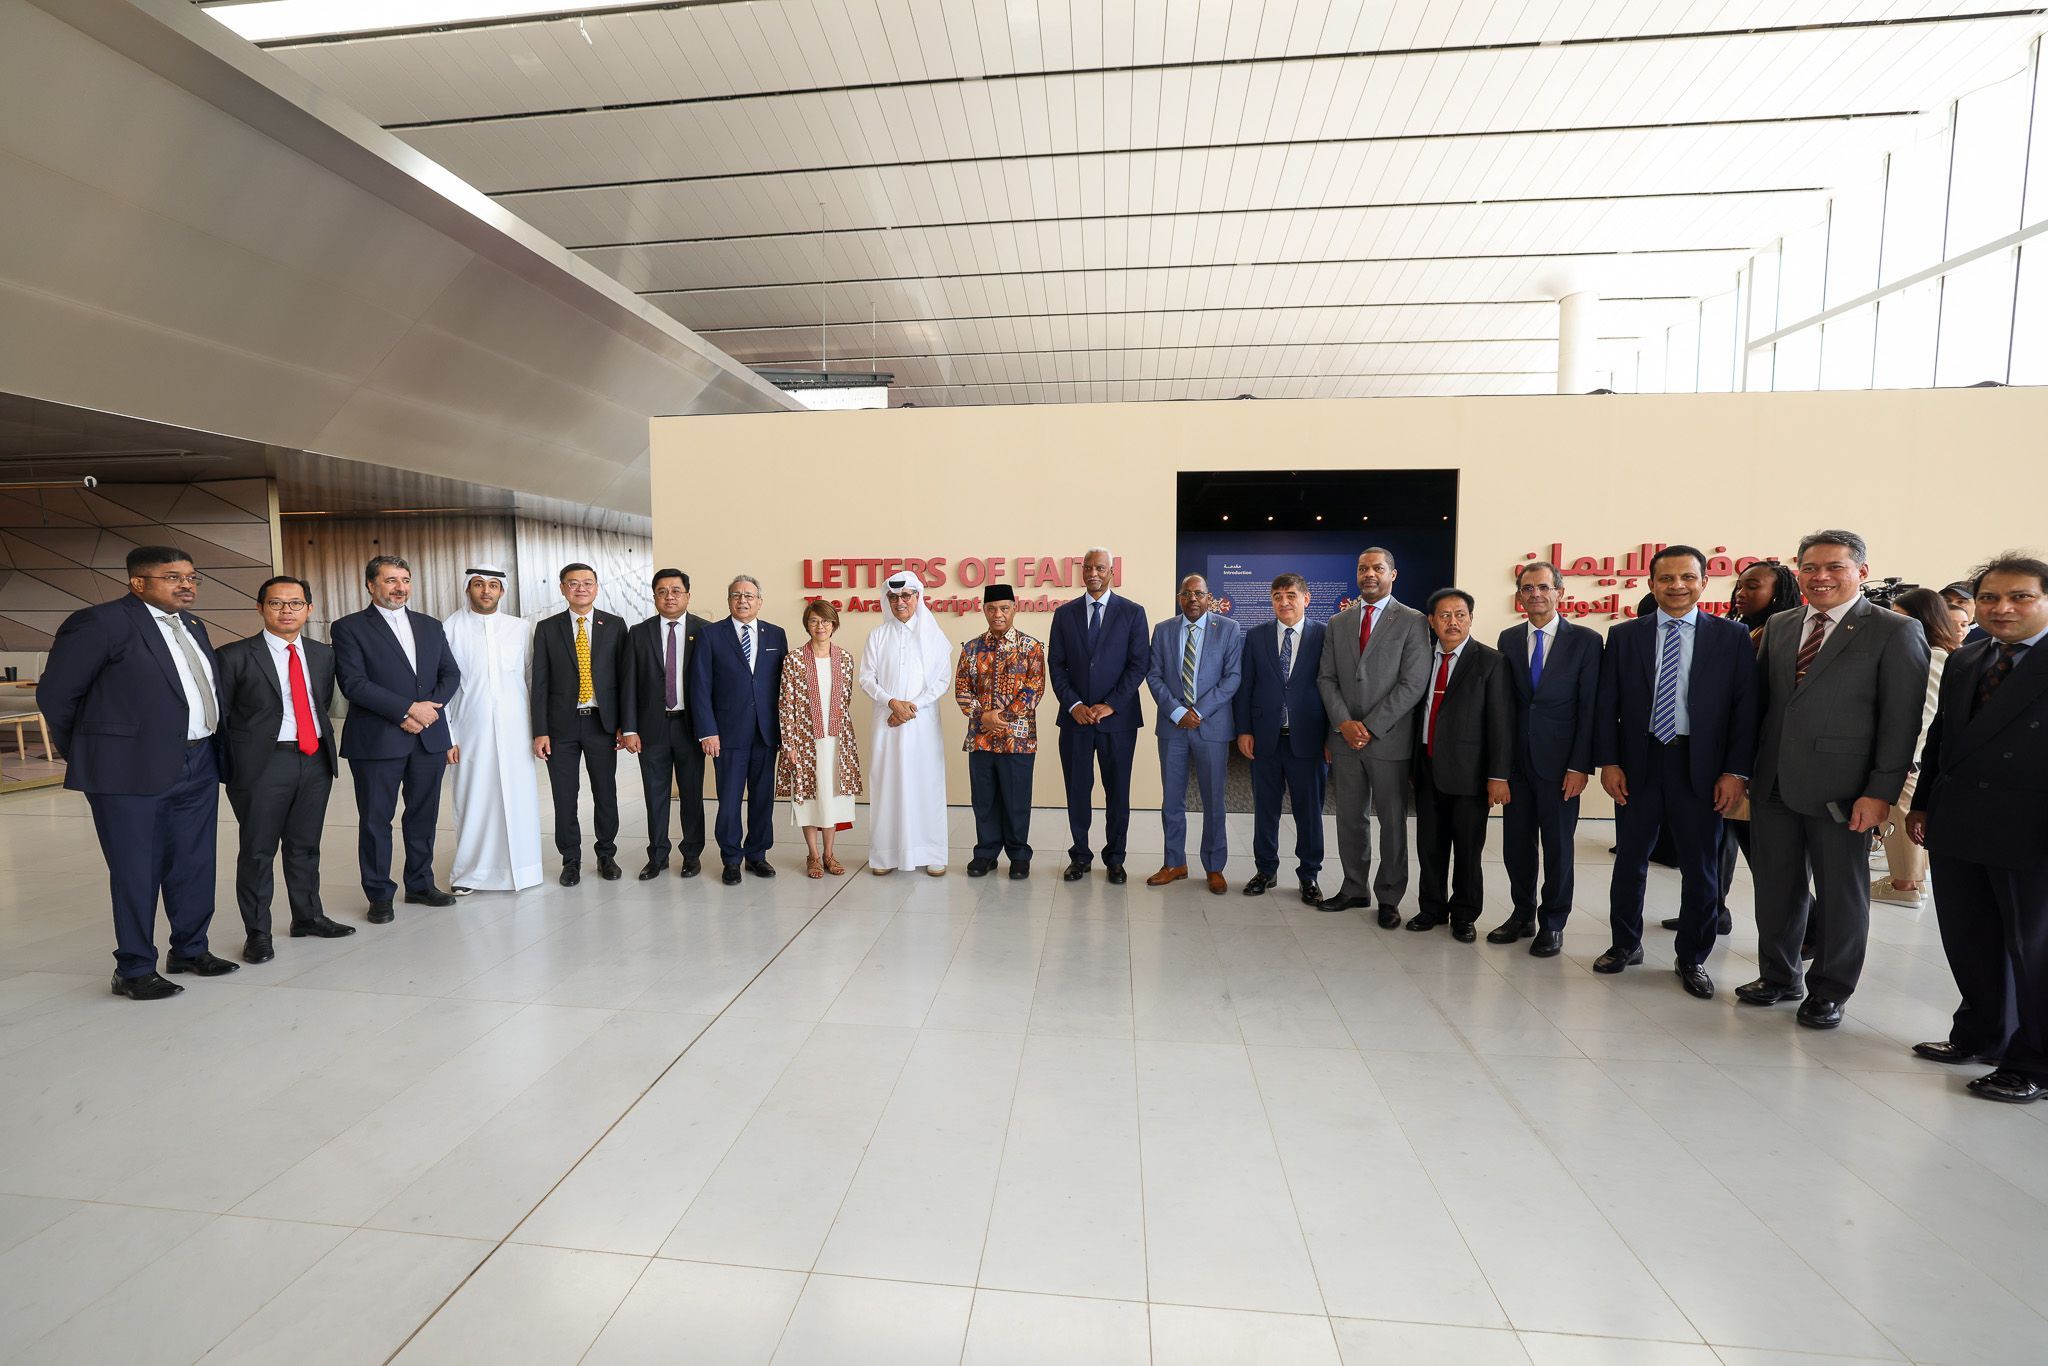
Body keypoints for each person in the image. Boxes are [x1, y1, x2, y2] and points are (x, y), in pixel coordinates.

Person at [1739, 530, 1929, 1029]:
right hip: (1773, 781)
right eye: (1810, 567)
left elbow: (1901, 721)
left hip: (1844, 790)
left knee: (1841, 894)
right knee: (1776, 888)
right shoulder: (1781, 625)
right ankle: (1779, 976)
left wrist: (1880, 791)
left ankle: (1830, 990)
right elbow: (1766, 706)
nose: (1820, 577)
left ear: (1861, 572)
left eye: (1834, 567)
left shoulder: (1894, 630)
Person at [41, 546, 236, 998]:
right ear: (138, 583)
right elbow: (56, 695)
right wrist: (93, 752)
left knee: (194, 861)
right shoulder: (100, 622)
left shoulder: (193, 625)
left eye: (191, 577)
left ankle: (190, 949)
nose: (186, 585)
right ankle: (133, 968)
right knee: (136, 869)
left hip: (199, 760)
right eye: (173, 577)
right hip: (127, 769)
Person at [1907, 552, 2048, 1103]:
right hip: (1959, 818)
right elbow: (1942, 738)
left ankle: (2034, 1063)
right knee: (1970, 938)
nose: (2002, 607)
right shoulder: (1969, 657)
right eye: (1989, 597)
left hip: (2030, 829)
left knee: (2033, 950)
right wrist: (1922, 804)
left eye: (2020, 597)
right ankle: (1983, 1033)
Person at [1593, 544, 1757, 1000]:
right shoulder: (1625, 636)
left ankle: (1693, 956)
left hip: (1701, 765)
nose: (1677, 586)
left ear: (1704, 582)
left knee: (1701, 866)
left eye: (1687, 577)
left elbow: (1745, 710)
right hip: (1639, 761)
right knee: (1630, 859)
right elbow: (1607, 705)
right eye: (1666, 578)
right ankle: (1625, 943)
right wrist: (1609, 762)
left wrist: (1735, 772)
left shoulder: (1732, 637)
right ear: (1651, 584)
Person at [215, 575, 353, 962]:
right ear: (260, 608)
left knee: (305, 845)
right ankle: (258, 933)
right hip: (261, 765)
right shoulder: (234, 656)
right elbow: (221, 717)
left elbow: (320, 703)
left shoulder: (323, 655)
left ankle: (308, 917)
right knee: (258, 850)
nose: (286, 611)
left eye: (295, 603)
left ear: (309, 609)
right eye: (276, 603)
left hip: (314, 758)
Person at [1675, 560, 1806, 936]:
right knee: (1721, 841)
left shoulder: (1777, 634)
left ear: (1778, 592)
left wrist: (1739, 766)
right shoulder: (1743, 630)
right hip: (1724, 755)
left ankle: (1808, 926)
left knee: (1761, 852)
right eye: (1739, 586)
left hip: (1755, 759)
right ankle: (1712, 909)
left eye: (1753, 586)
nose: (1741, 593)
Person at [333, 555, 461, 924]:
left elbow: (450, 674)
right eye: (391, 580)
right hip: (377, 740)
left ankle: (420, 884)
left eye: (405, 580)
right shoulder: (349, 627)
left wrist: (427, 712)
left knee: (423, 815)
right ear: (371, 585)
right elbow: (354, 683)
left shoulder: (430, 625)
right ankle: (379, 894)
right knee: (376, 820)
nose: (400, 587)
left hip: (428, 738)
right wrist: (407, 711)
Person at [1315, 547, 1432, 923]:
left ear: (1392, 574)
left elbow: (1414, 683)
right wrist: (1344, 723)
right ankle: (1354, 888)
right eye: (1363, 568)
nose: (1369, 574)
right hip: (1345, 739)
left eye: (1377, 568)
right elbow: (1326, 678)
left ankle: (1389, 896)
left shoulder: (1412, 621)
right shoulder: (1339, 622)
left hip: (1389, 739)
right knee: (1350, 817)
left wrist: (1371, 726)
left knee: (1392, 821)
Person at [1493, 561, 1601, 956]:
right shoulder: (1508, 638)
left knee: (1557, 848)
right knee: (1516, 846)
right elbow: (1505, 706)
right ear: (1519, 596)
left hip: (1561, 766)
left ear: (1559, 593)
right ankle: (1522, 914)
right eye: (1527, 588)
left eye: (1543, 587)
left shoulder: (1585, 641)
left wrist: (1579, 766)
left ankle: (1553, 922)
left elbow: (1590, 708)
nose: (1535, 594)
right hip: (1518, 765)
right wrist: (1499, 768)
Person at [1407, 589, 1512, 942]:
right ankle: (1431, 908)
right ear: (1431, 621)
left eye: (1460, 615)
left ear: (1470, 618)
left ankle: (1465, 915)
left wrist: (1497, 775)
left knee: (1467, 850)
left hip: (1470, 773)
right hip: (1426, 765)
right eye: (1445, 615)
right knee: (1429, 846)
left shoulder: (1491, 661)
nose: (1453, 622)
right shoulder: (1421, 658)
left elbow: (1500, 724)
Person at [1048, 547, 1149, 884]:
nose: (1093, 573)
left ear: (1111, 572)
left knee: (1117, 793)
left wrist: (1111, 704)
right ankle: (1080, 856)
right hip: (1075, 720)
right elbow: (1056, 665)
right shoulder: (1065, 614)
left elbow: (1139, 665)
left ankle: (1115, 859)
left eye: (1100, 568)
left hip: (1118, 721)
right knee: (1077, 791)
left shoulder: (1133, 613)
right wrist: (1074, 705)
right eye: (1088, 567)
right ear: (1082, 572)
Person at [531, 563, 634, 886]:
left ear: (597, 587)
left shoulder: (614, 625)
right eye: (573, 583)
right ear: (562, 588)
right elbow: (540, 683)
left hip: (602, 724)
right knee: (565, 797)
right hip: (560, 727)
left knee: (605, 792)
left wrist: (625, 725)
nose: (581, 589)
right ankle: (571, 859)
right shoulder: (547, 628)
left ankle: (606, 854)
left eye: (587, 583)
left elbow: (625, 679)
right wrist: (540, 731)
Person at [442, 566, 544, 894]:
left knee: (519, 799)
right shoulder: (450, 628)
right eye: (478, 584)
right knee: (474, 801)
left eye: (493, 585)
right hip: (469, 731)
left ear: (502, 591)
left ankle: (524, 870)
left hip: (517, 731)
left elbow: (532, 680)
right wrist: (448, 736)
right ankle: (471, 873)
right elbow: (442, 687)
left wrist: (538, 730)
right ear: (467, 588)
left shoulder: (520, 628)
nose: (486, 591)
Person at [1144, 574, 1244, 894]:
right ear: (1179, 598)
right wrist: (1177, 712)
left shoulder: (1228, 629)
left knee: (1214, 799)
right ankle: (1174, 862)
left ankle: (1214, 866)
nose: (1193, 599)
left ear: (1208, 597)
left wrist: (1198, 712)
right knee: (1172, 799)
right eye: (1186, 594)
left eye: (1198, 593)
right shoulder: (1163, 630)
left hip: (1210, 726)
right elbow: (1154, 675)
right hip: (1172, 727)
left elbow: (1232, 678)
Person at [1233, 574, 1329, 905]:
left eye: (1291, 595)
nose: (1284, 602)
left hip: (1310, 740)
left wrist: (1331, 737)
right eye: (1277, 596)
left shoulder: (1324, 635)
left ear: (1306, 598)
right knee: (1265, 809)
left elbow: (1334, 687)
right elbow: (1246, 685)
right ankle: (1265, 870)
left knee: (1309, 811)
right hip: (1266, 739)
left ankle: (1309, 874)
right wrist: (1244, 730)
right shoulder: (1257, 635)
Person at [692, 574, 787, 884]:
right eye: (736, 595)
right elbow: (700, 686)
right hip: (727, 733)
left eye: (749, 596)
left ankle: (757, 855)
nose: (743, 600)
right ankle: (731, 858)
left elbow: (783, 687)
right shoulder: (710, 635)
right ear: (729, 600)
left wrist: (786, 732)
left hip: (766, 732)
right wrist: (708, 731)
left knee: (763, 798)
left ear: (760, 601)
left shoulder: (776, 635)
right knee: (729, 800)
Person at [861, 573, 954, 876]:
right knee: (887, 784)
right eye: (893, 597)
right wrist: (892, 703)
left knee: (925, 784)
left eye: (906, 596)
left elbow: (942, 680)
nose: (899, 602)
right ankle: (885, 855)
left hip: (922, 724)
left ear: (917, 597)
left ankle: (931, 852)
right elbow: (866, 678)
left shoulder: (933, 635)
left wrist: (909, 708)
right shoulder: (878, 635)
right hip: (886, 723)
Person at [1871, 587, 1958, 906]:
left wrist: (1907, 757)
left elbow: (1928, 711)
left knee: (1900, 818)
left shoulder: (1934, 655)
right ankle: (1911, 881)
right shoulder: (1919, 651)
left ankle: (1904, 885)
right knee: (1900, 819)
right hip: (1908, 756)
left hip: (1910, 758)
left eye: (1901, 616)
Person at [955, 583, 1045, 879]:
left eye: (1004, 608)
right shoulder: (971, 649)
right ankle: (986, 853)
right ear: (984, 610)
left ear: (1014, 609)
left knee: (1016, 800)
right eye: (992, 609)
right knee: (984, 800)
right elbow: (962, 689)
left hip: (1017, 740)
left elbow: (1034, 689)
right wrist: (983, 716)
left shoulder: (1030, 647)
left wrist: (1002, 717)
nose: (998, 614)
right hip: (980, 739)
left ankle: (1019, 855)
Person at [626, 568, 710, 879]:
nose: (669, 596)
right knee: (655, 794)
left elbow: (713, 684)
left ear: (688, 595)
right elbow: (629, 683)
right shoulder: (639, 632)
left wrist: (711, 729)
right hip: (652, 728)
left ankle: (692, 855)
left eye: (676, 590)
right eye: (662, 591)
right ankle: (657, 855)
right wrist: (630, 728)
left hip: (690, 727)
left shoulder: (705, 631)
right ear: (654, 596)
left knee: (692, 794)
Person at [777, 598, 862, 877]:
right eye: (814, 621)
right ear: (807, 625)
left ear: (834, 624)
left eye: (825, 621)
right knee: (810, 798)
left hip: (837, 740)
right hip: (804, 740)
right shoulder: (793, 660)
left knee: (833, 798)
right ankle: (813, 855)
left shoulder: (845, 658)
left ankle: (829, 854)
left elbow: (846, 700)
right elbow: (785, 704)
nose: (820, 626)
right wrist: (789, 743)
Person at [1941, 580, 1988, 645]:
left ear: (1977, 606)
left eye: (1961, 602)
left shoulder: (1989, 638)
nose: (1952, 605)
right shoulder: (1929, 633)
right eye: (1946, 601)